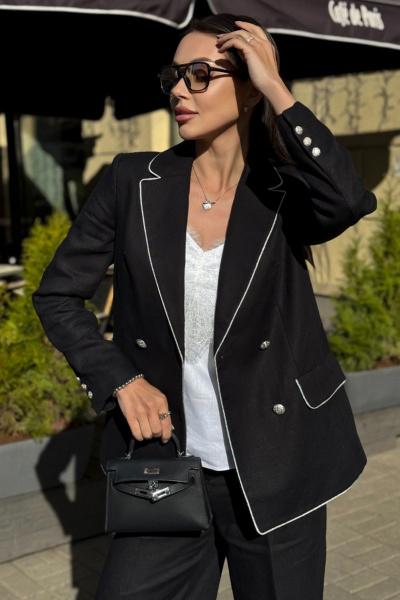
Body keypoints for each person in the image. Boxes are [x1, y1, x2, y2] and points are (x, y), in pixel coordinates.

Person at [32, 12, 377, 600]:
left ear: (248, 87)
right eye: (172, 75)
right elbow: (57, 294)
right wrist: (121, 380)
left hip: (276, 463)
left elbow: (348, 198)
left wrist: (276, 87)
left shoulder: (284, 188)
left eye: (199, 75)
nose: (178, 90)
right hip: (164, 465)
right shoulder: (132, 180)